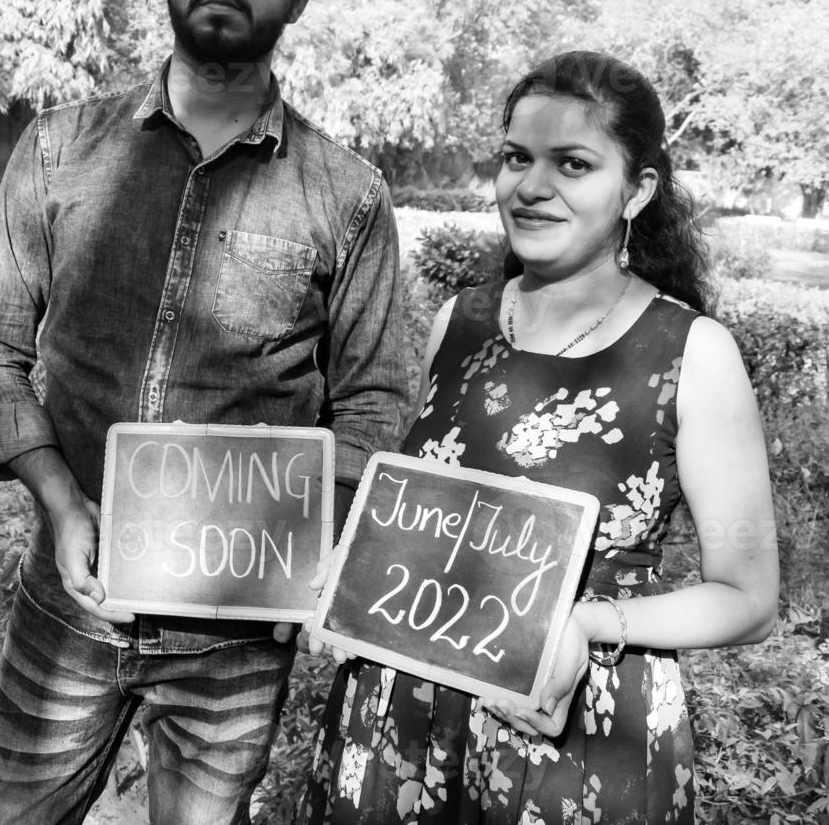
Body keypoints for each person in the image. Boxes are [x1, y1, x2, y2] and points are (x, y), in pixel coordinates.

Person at [0, 0, 409, 824]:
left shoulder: (349, 194)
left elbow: (373, 401)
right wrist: (60, 501)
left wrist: (309, 538)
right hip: (69, 600)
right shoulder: (57, 149)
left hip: (237, 640)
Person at [298, 50, 779, 824]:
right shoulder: (464, 320)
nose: (532, 186)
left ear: (638, 191)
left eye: (574, 163)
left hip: (572, 741)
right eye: (517, 158)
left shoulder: (692, 353)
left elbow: (748, 598)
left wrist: (587, 623)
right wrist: (353, 573)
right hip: (399, 726)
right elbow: (430, 516)